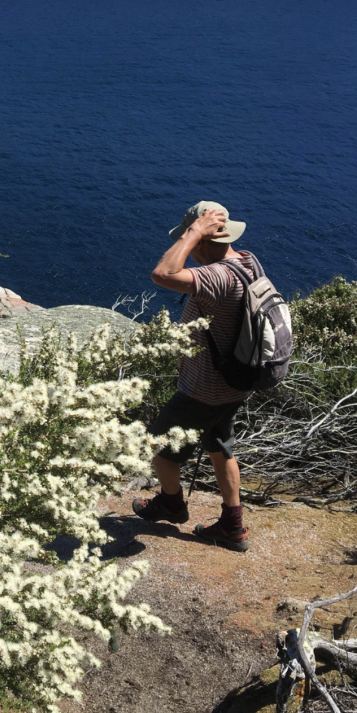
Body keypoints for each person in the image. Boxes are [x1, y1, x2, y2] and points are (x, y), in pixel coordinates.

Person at [132, 201, 257, 553]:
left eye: (193, 239)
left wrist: (192, 232)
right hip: (234, 382)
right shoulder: (246, 261)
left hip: (203, 389)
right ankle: (232, 526)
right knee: (219, 447)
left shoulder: (217, 276)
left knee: (157, 447)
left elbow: (163, 274)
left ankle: (171, 504)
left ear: (201, 240)